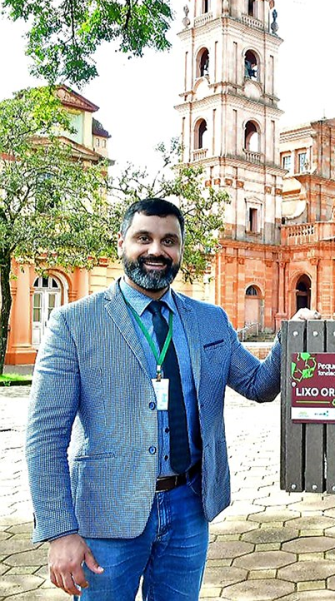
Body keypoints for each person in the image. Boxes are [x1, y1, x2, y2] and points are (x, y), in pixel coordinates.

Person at [26, 198, 319, 600]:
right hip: (107, 516)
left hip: (188, 508)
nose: (156, 251)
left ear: (180, 249)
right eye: (143, 238)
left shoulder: (209, 320)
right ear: (121, 243)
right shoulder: (75, 323)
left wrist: (292, 337)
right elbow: (45, 437)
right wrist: (60, 531)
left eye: (169, 241)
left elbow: (258, 385)